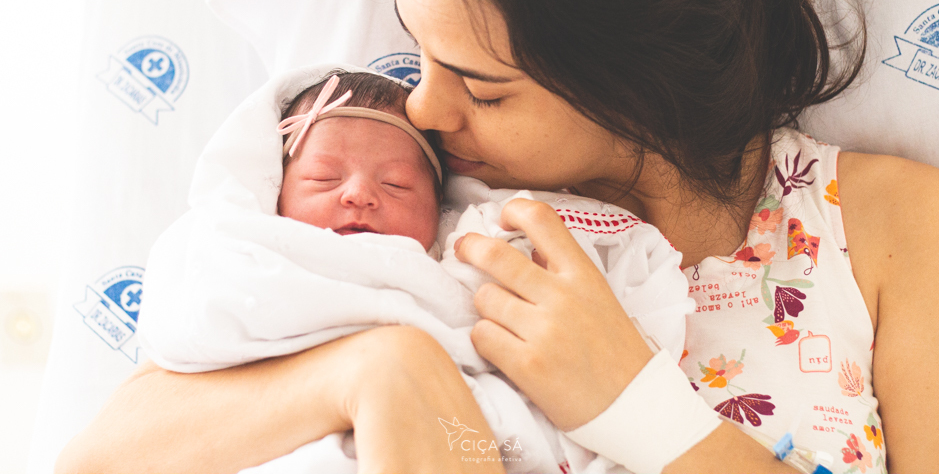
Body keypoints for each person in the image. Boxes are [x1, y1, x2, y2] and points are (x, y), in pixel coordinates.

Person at [56, 0, 939, 473]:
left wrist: (635, 409)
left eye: (482, 87)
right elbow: (102, 457)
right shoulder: (406, 197)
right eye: (418, 50)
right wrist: (372, 370)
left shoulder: (886, 228)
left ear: (634, 80)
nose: (421, 106)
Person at [135, 66, 691, 474]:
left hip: (452, 436)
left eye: (396, 185)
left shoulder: (464, 264)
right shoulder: (245, 254)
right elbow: (194, 329)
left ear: (438, 210)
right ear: (273, 191)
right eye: (324, 178)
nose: (358, 194)